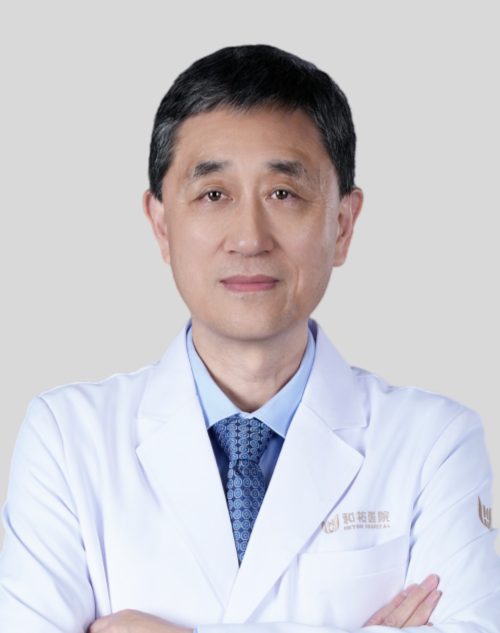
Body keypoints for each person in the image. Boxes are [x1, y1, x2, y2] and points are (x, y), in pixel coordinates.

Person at [0, 44, 498, 633]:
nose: (249, 237)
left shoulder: (435, 444)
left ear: (342, 225)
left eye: (283, 194)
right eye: (213, 195)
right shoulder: (66, 439)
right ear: (161, 225)